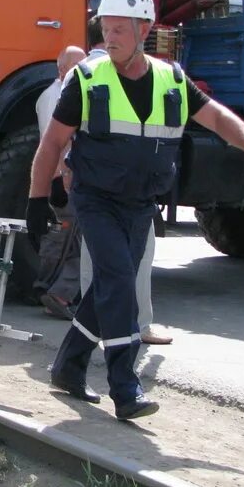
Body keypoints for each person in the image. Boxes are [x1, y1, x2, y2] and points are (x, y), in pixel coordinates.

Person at [26, 0, 244, 421]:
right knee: (121, 282)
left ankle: (68, 366)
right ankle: (125, 388)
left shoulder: (172, 81)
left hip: (141, 205)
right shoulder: (87, 79)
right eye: (106, 29)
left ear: (144, 28)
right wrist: (37, 199)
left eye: (120, 30)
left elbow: (216, 117)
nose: (110, 38)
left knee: (108, 286)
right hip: (96, 200)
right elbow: (52, 144)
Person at [78, 19, 172, 345]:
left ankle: (97, 331)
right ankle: (133, 327)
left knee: (98, 263)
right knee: (133, 261)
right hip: (125, 190)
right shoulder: (112, 74)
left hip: (97, 189)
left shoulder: (81, 73)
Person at [33, 45, 87, 319]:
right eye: (77, 65)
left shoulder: (50, 95)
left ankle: (49, 290)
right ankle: (60, 293)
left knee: (63, 240)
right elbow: (55, 142)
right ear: (62, 69)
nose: (83, 70)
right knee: (79, 241)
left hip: (62, 177)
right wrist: (59, 179)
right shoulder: (61, 96)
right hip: (67, 178)